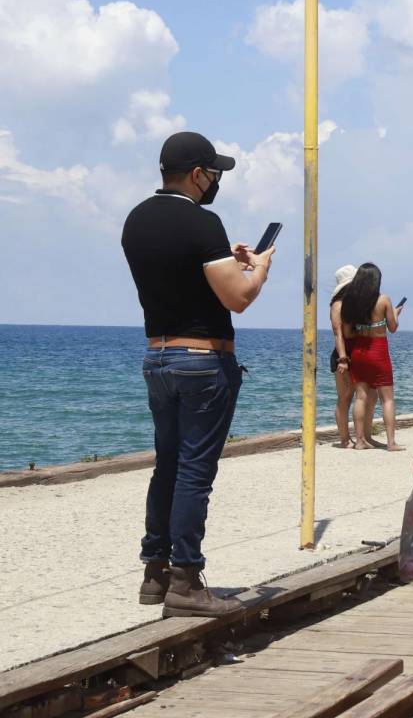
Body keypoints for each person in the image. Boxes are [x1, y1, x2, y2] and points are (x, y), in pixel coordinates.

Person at [122, 131, 274, 617]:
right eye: (215, 173)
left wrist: (228, 258)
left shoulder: (136, 220)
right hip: (203, 358)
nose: (216, 181)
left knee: (166, 463)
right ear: (196, 174)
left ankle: (155, 571)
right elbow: (239, 298)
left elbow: (182, 271)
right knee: (194, 470)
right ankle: (187, 579)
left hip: (157, 356)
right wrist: (261, 268)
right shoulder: (202, 221)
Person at [340, 263, 405, 451]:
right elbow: (392, 328)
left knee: (360, 397)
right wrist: (394, 314)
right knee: (388, 399)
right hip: (378, 351)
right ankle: (391, 443)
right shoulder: (383, 300)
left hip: (359, 352)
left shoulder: (350, 302)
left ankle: (360, 441)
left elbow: (348, 333)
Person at [330, 265, 378, 448]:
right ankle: (344, 438)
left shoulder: (359, 305)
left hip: (360, 352)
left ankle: (365, 436)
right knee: (345, 397)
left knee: (369, 396)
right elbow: (338, 333)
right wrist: (343, 358)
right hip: (344, 354)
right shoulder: (338, 305)